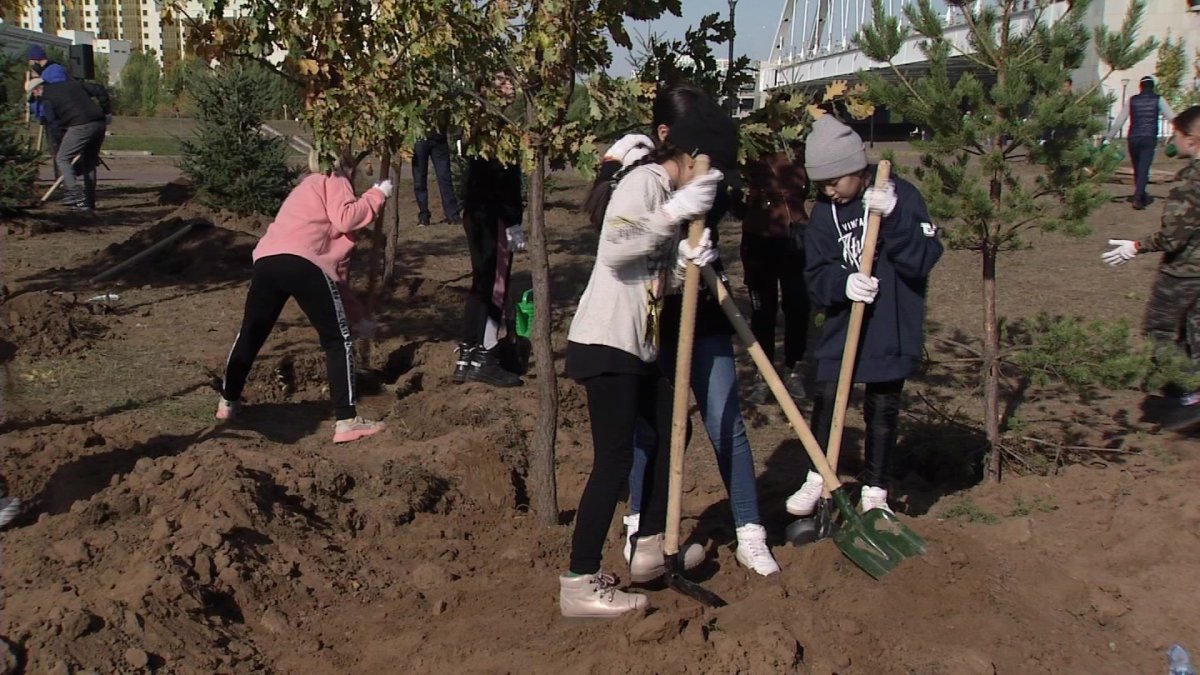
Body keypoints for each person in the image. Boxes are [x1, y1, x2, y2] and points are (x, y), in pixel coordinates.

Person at [559, 83, 727, 618]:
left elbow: (653, 273)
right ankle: (580, 580)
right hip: (606, 340)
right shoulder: (646, 181)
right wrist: (673, 212)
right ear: (687, 155)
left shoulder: (665, 193)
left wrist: (686, 258)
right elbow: (616, 248)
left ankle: (650, 545)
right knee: (611, 459)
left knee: (666, 428)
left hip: (637, 346)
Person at [608, 94, 780, 578]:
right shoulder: (640, 176)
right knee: (654, 431)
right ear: (666, 136)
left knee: (726, 420)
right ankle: (641, 525)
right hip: (653, 321)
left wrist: (701, 230)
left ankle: (750, 532)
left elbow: (720, 197)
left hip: (703, 314)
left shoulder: (710, 172)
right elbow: (616, 236)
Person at [785, 115, 943, 517]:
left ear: (857, 169)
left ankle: (875, 489)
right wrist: (843, 284)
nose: (828, 190)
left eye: (834, 181)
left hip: (890, 323)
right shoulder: (824, 214)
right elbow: (815, 276)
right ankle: (818, 474)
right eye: (821, 184)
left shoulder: (901, 196)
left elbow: (923, 260)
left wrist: (896, 219)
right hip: (844, 324)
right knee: (827, 396)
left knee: (884, 405)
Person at [216, 150, 391, 444]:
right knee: (337, 340)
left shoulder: (302, 189)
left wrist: (357, 316)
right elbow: (347, 219)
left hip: (268, 261)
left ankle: (227, 401)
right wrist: (377, 195)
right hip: (302, 263)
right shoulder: (332, 178)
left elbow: (334, 277)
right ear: (344, 165)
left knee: (251, 332)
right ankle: (347, 421)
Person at [1103, 105, 1200, 431]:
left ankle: (1193, 392)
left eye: (1176, 134)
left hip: (1184, 272)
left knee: (1158, 332)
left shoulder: (1190, 182)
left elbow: (1174, 237)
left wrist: (1136, 246)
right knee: (1194, 335)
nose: (1172, 140)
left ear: (1193, 140)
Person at [452, 73, 525, 388]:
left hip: (477, 212)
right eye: (505, 83)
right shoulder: (500, 130)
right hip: (493, 214)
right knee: (494, 286)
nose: (512, 87)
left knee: (481, 283)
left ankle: (466, 354)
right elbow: (504, 181)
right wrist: (514, 221)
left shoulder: (477, 125)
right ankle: (486, 355)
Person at [733, 143, 812, 405]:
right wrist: (753, 210)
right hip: (759, 239)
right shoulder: (752, 148)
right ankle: (763, 374)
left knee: (797, 304)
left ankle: (794, 367)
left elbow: (809, 189)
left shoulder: (799, 149)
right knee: (762, 310)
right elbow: (733, 194)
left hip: (795, 237)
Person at [27, 75, 111, 211]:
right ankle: (89, 202)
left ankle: (77, 197)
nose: (36, 99)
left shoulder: (47, 99)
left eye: (34, 96)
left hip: (80, 125)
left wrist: (63, 142)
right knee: (89, 163)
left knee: (62, 158)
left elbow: (54, 125)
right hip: (99, 123)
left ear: (37, 90)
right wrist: (106, 111)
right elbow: (99, 89)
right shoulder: (72, 84)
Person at [1107, 76, 1176, 210]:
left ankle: (1140, 193)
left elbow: (1120, 120)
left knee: (1137, 167)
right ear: (1153, 87)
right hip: (1149, 137)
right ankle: (1138, 196)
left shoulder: (1132, 100)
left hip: (1133, 137)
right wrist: (1179, 132)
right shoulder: (1159, 99)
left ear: (1140, 87)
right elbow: (1172, 118)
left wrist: (1109, 137)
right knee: (1144, 167)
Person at [412, 117, 461, 228]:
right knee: (419, 179)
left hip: (439, 139)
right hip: (419, 137)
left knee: (445, 177)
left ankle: (452, 215)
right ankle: (424, 216)